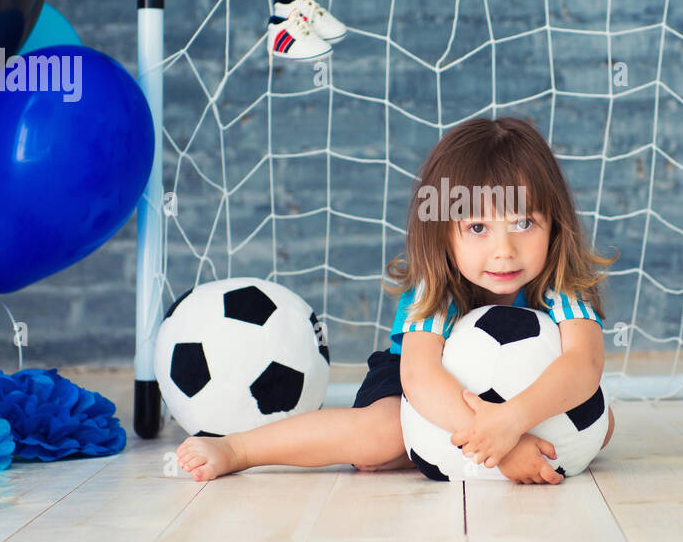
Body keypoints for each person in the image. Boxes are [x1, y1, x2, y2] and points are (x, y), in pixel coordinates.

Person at [175, 116, 618, 484]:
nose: (504, 251)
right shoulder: (437, 284)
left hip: (519, 389)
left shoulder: (562, 280)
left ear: (554, 224)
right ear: (443, 232)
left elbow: (582, 365)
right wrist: (503, 447)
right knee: (380, 434)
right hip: (421, 383)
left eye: (523, 223)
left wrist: (514, 419)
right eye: (478, 229)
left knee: (599, 424)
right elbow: (421, 376)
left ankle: (424, 449)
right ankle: (239, 448)